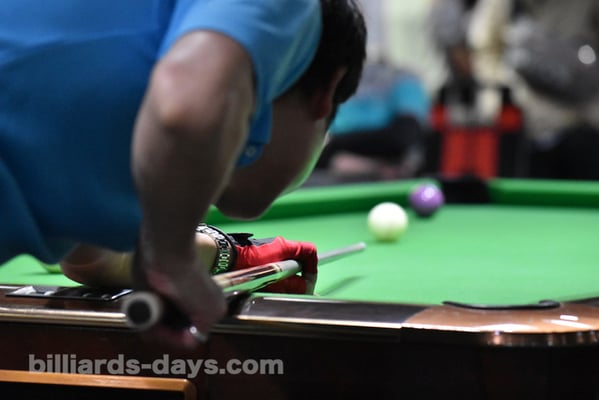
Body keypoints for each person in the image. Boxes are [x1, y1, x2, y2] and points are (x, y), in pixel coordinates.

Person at [0, 0, 367, 347]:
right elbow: (187, 109)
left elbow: (93, 258)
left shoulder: (121, 82)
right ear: (327, 92)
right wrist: (172, 258)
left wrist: (228, 255)